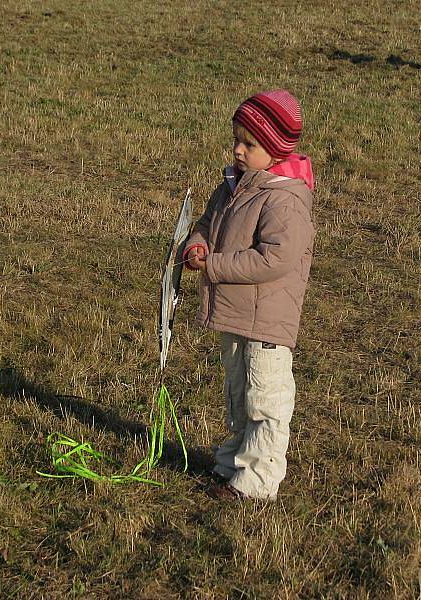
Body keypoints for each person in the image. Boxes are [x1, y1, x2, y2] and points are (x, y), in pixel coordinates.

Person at [182, 89, 315, 501]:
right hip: (236, 311)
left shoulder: (285, 199)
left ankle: (257, 481)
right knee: (238, 393)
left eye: (250, 144)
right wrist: (197, 244)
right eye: (236, 140)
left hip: (268, 318)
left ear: (275, 150)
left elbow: (274, 259)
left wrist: (215, 266)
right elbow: (207, 221)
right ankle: (234, 461)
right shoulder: (231, 186)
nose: (238, 150)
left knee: (265, 397)